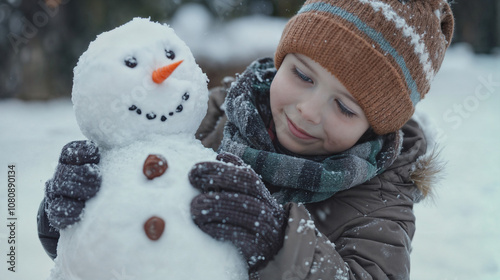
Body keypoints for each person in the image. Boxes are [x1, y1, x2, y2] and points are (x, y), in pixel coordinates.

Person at [38, 0, 454, 279]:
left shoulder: (380, 200)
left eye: (345, 108)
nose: (308, 111)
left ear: (376, 125)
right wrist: (70, 214)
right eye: (302, 76)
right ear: (281, 59)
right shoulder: (203, 119)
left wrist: (277, 241)